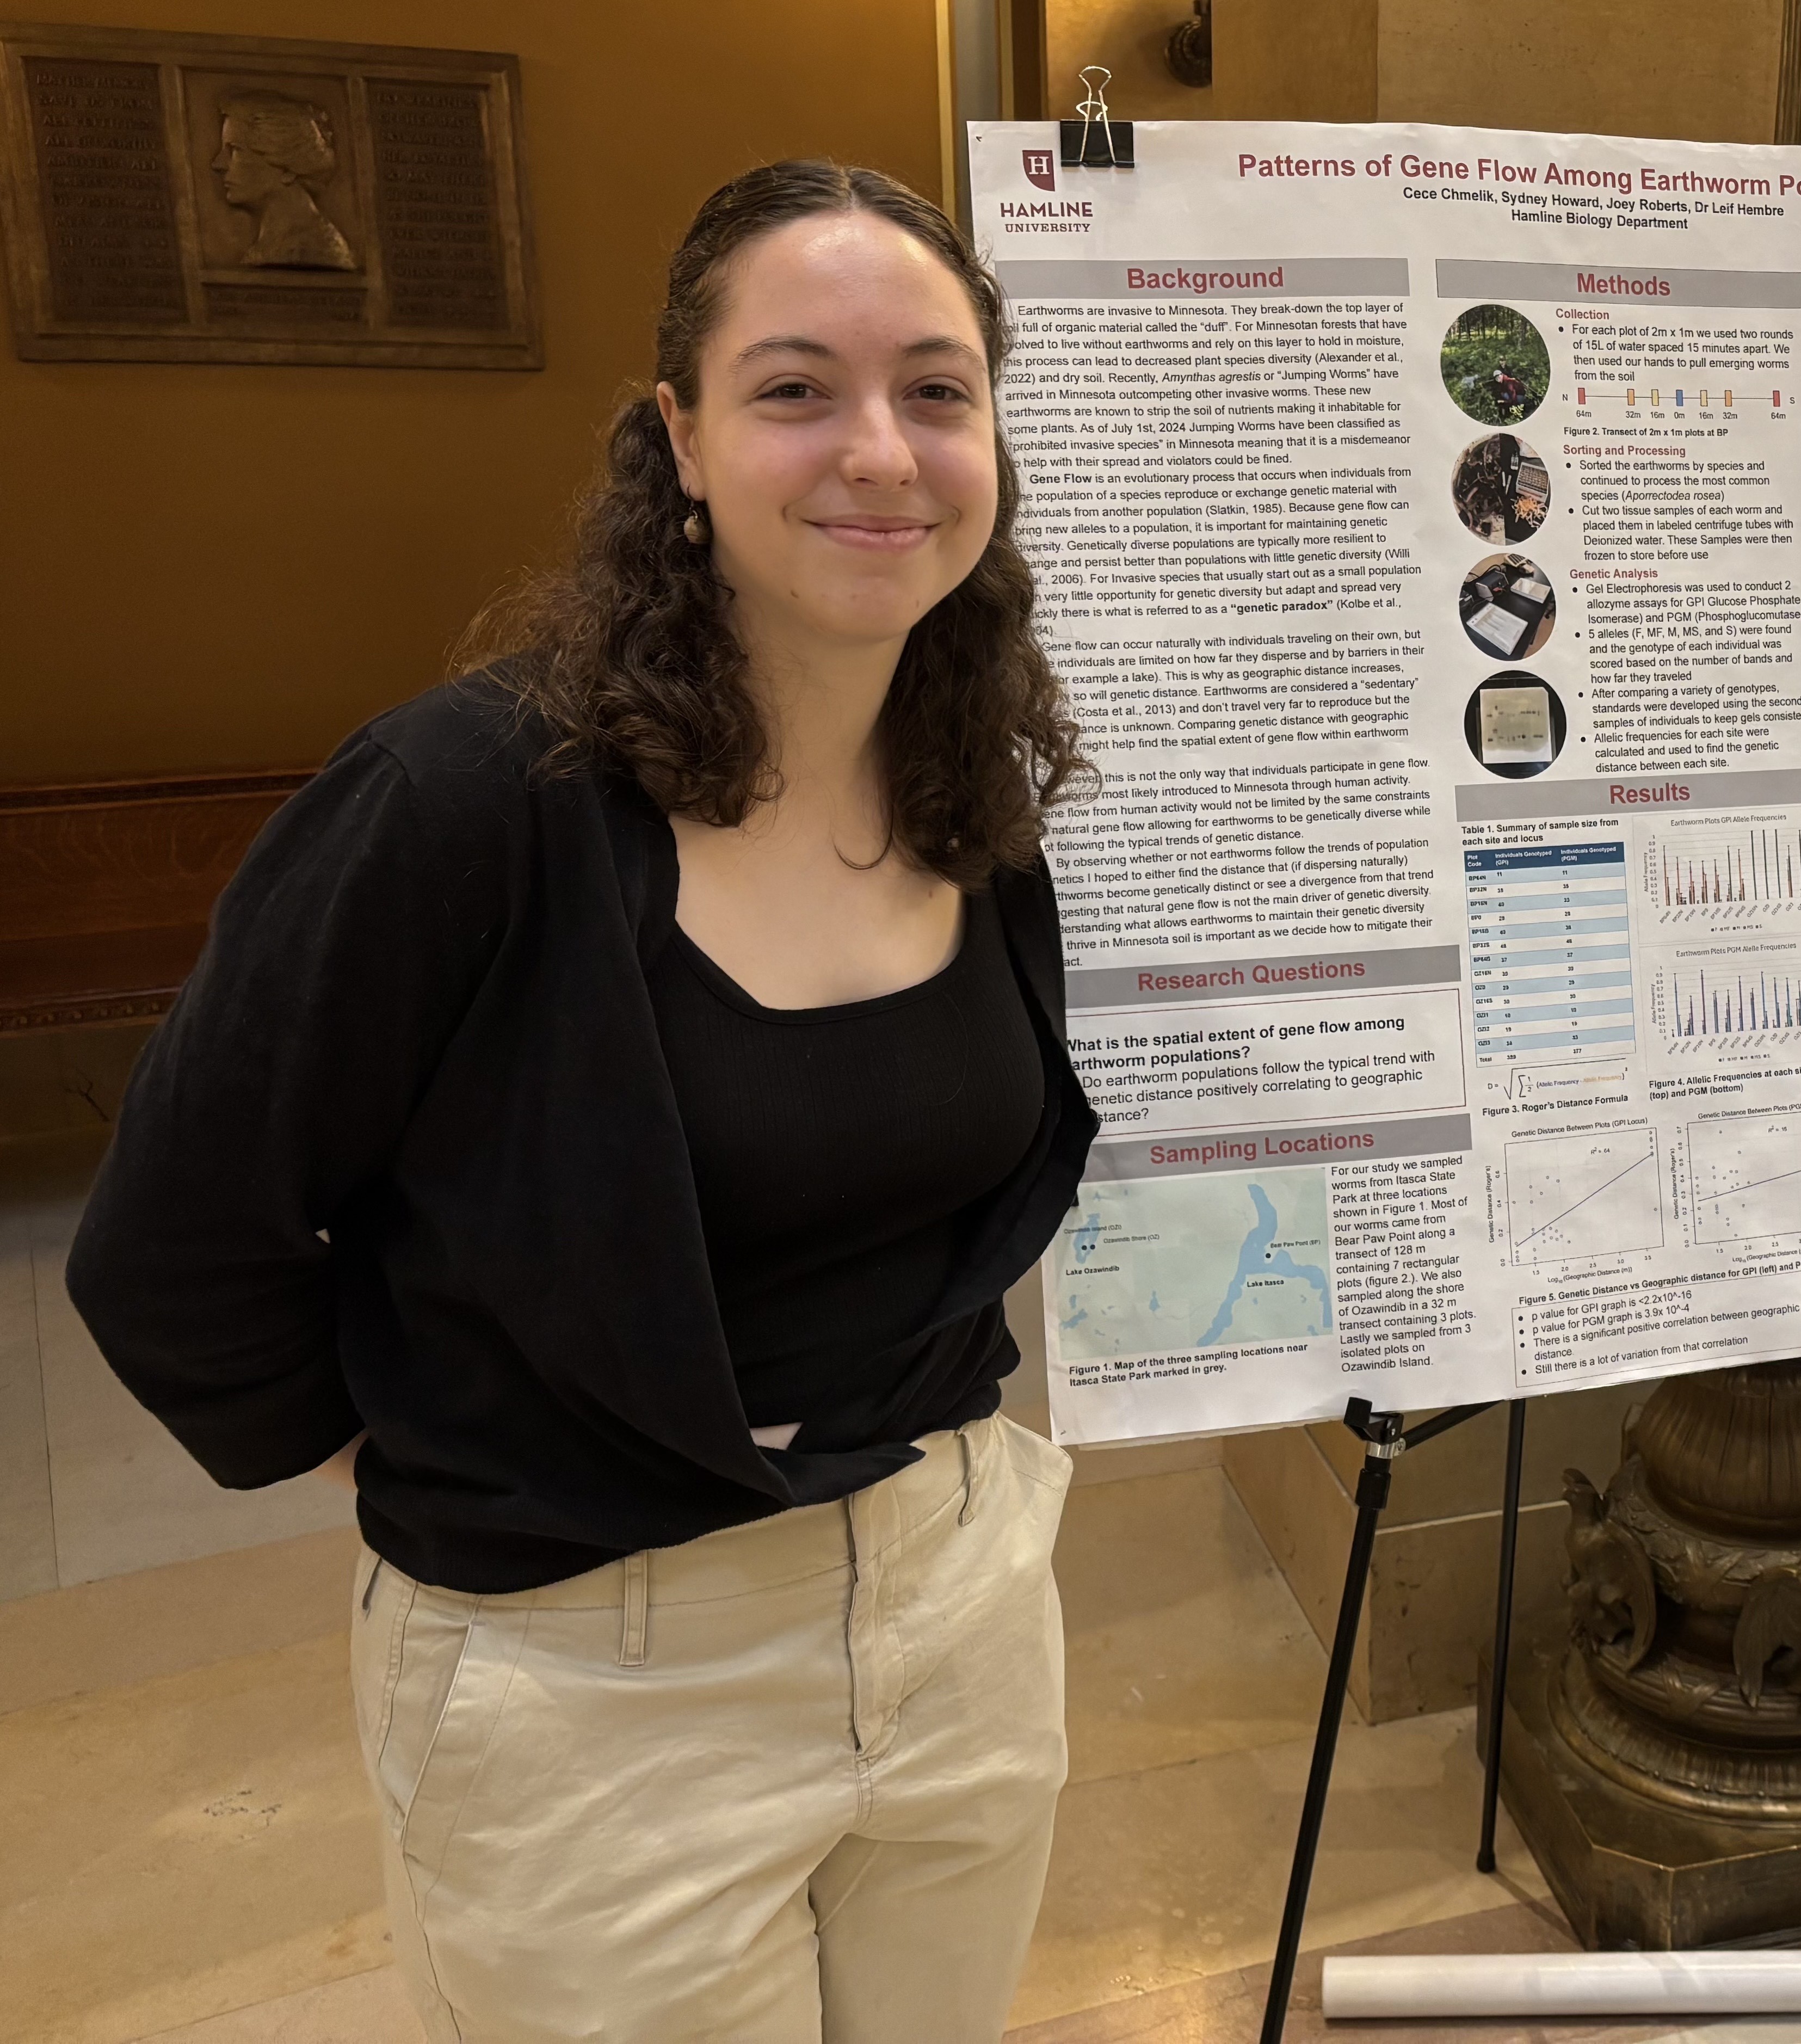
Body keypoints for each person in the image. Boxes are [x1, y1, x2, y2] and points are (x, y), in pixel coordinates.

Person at [66, 159, 1097, 2042]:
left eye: (937, 391)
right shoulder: (464, 805)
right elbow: (171, 1252)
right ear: (679, 438)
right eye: (796, 389)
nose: (880, 449)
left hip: (956, 1609)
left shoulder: (970, 789)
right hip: (592, 1675)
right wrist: (440, 1456)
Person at [211, 92, 356, 269]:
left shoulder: (312, 248)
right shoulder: (274, 244)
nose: (218, 164)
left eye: (235, 150)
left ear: (288, 168)